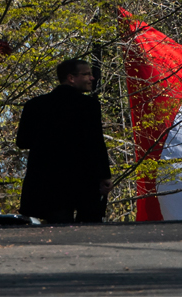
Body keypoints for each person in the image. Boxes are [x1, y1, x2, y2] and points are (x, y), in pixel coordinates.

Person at [17, 58, 112, 223]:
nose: (92, 78)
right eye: (86, 74)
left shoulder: (34, 105)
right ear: (71, 78)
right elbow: (96, 143)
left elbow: (22, 141)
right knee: (88, 227)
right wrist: (104, 175)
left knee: (57, 228)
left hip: (47, 181)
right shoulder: (88, 106)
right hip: (82, 179)